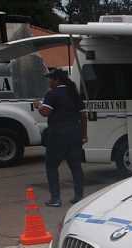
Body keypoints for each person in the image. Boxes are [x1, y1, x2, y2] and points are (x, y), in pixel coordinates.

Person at [33, 68, 87, 207]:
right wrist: (84, 135)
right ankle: (79, 197)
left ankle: (55, 199)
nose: (49, 82)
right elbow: (83, 115)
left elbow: (46, 113)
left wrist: (38, 105)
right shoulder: (74, 93)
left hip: (57, 136)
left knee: (51, 166)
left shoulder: (52, 94)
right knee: (76, 167)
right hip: (74, 134)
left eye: (50, 79)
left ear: (57, 80)